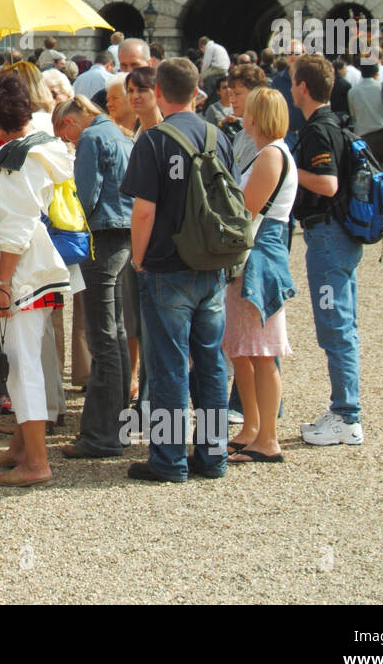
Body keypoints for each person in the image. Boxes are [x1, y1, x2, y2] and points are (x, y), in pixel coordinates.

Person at [121, 57, 232, 482]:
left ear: (161, 93)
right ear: (197, 89)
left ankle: (168, 459)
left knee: (168, 366)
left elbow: (144, 211)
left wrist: (139, 257)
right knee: (210, 364)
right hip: (210, 264)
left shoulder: (154, 140)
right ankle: (212, 454)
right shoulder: (216, 135)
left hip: (167, 265)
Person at [0, 72, 73, 486]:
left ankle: (36, 462)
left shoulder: (16, 157)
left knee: (22, 364)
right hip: (40, 269)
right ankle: (22, 446)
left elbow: (16, 224)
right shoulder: (49, 145)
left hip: (22, 275)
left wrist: (2, 283)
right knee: (28, 358)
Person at [290, 55, 364, 445]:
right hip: (339, 236)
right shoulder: (334, 122)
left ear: (303, 87)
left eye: (292, 81)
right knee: (343, 325)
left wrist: (287, 166)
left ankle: (347, 415)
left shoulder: (318, 130)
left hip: (327, 235)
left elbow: (328, 184)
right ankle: (344, 409)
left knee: (334, 326)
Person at [58, 94, 134, 460]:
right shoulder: (122, 133)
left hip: (100, 238)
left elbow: (85, 196)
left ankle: (103, 434)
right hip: (123, 235)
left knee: (102, 337)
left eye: (65, 134)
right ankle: (118, 427)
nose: (68, 141)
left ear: (72, 122)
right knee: (116, 334)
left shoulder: (91, 138)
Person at [223, 88, 297, 464]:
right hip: (256, 252)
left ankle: (267, 437)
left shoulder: (271, 154)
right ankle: (252, 428)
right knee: (242, 349)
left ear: (256, 117)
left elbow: (246, 208)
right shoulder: (269, 152)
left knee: (262, 351)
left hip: (259, 256)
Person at [347, 61, 383, 180]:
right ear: (376, 74)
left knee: (372, 173)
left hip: (365, 136)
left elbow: (353, 114)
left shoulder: (353, 92)